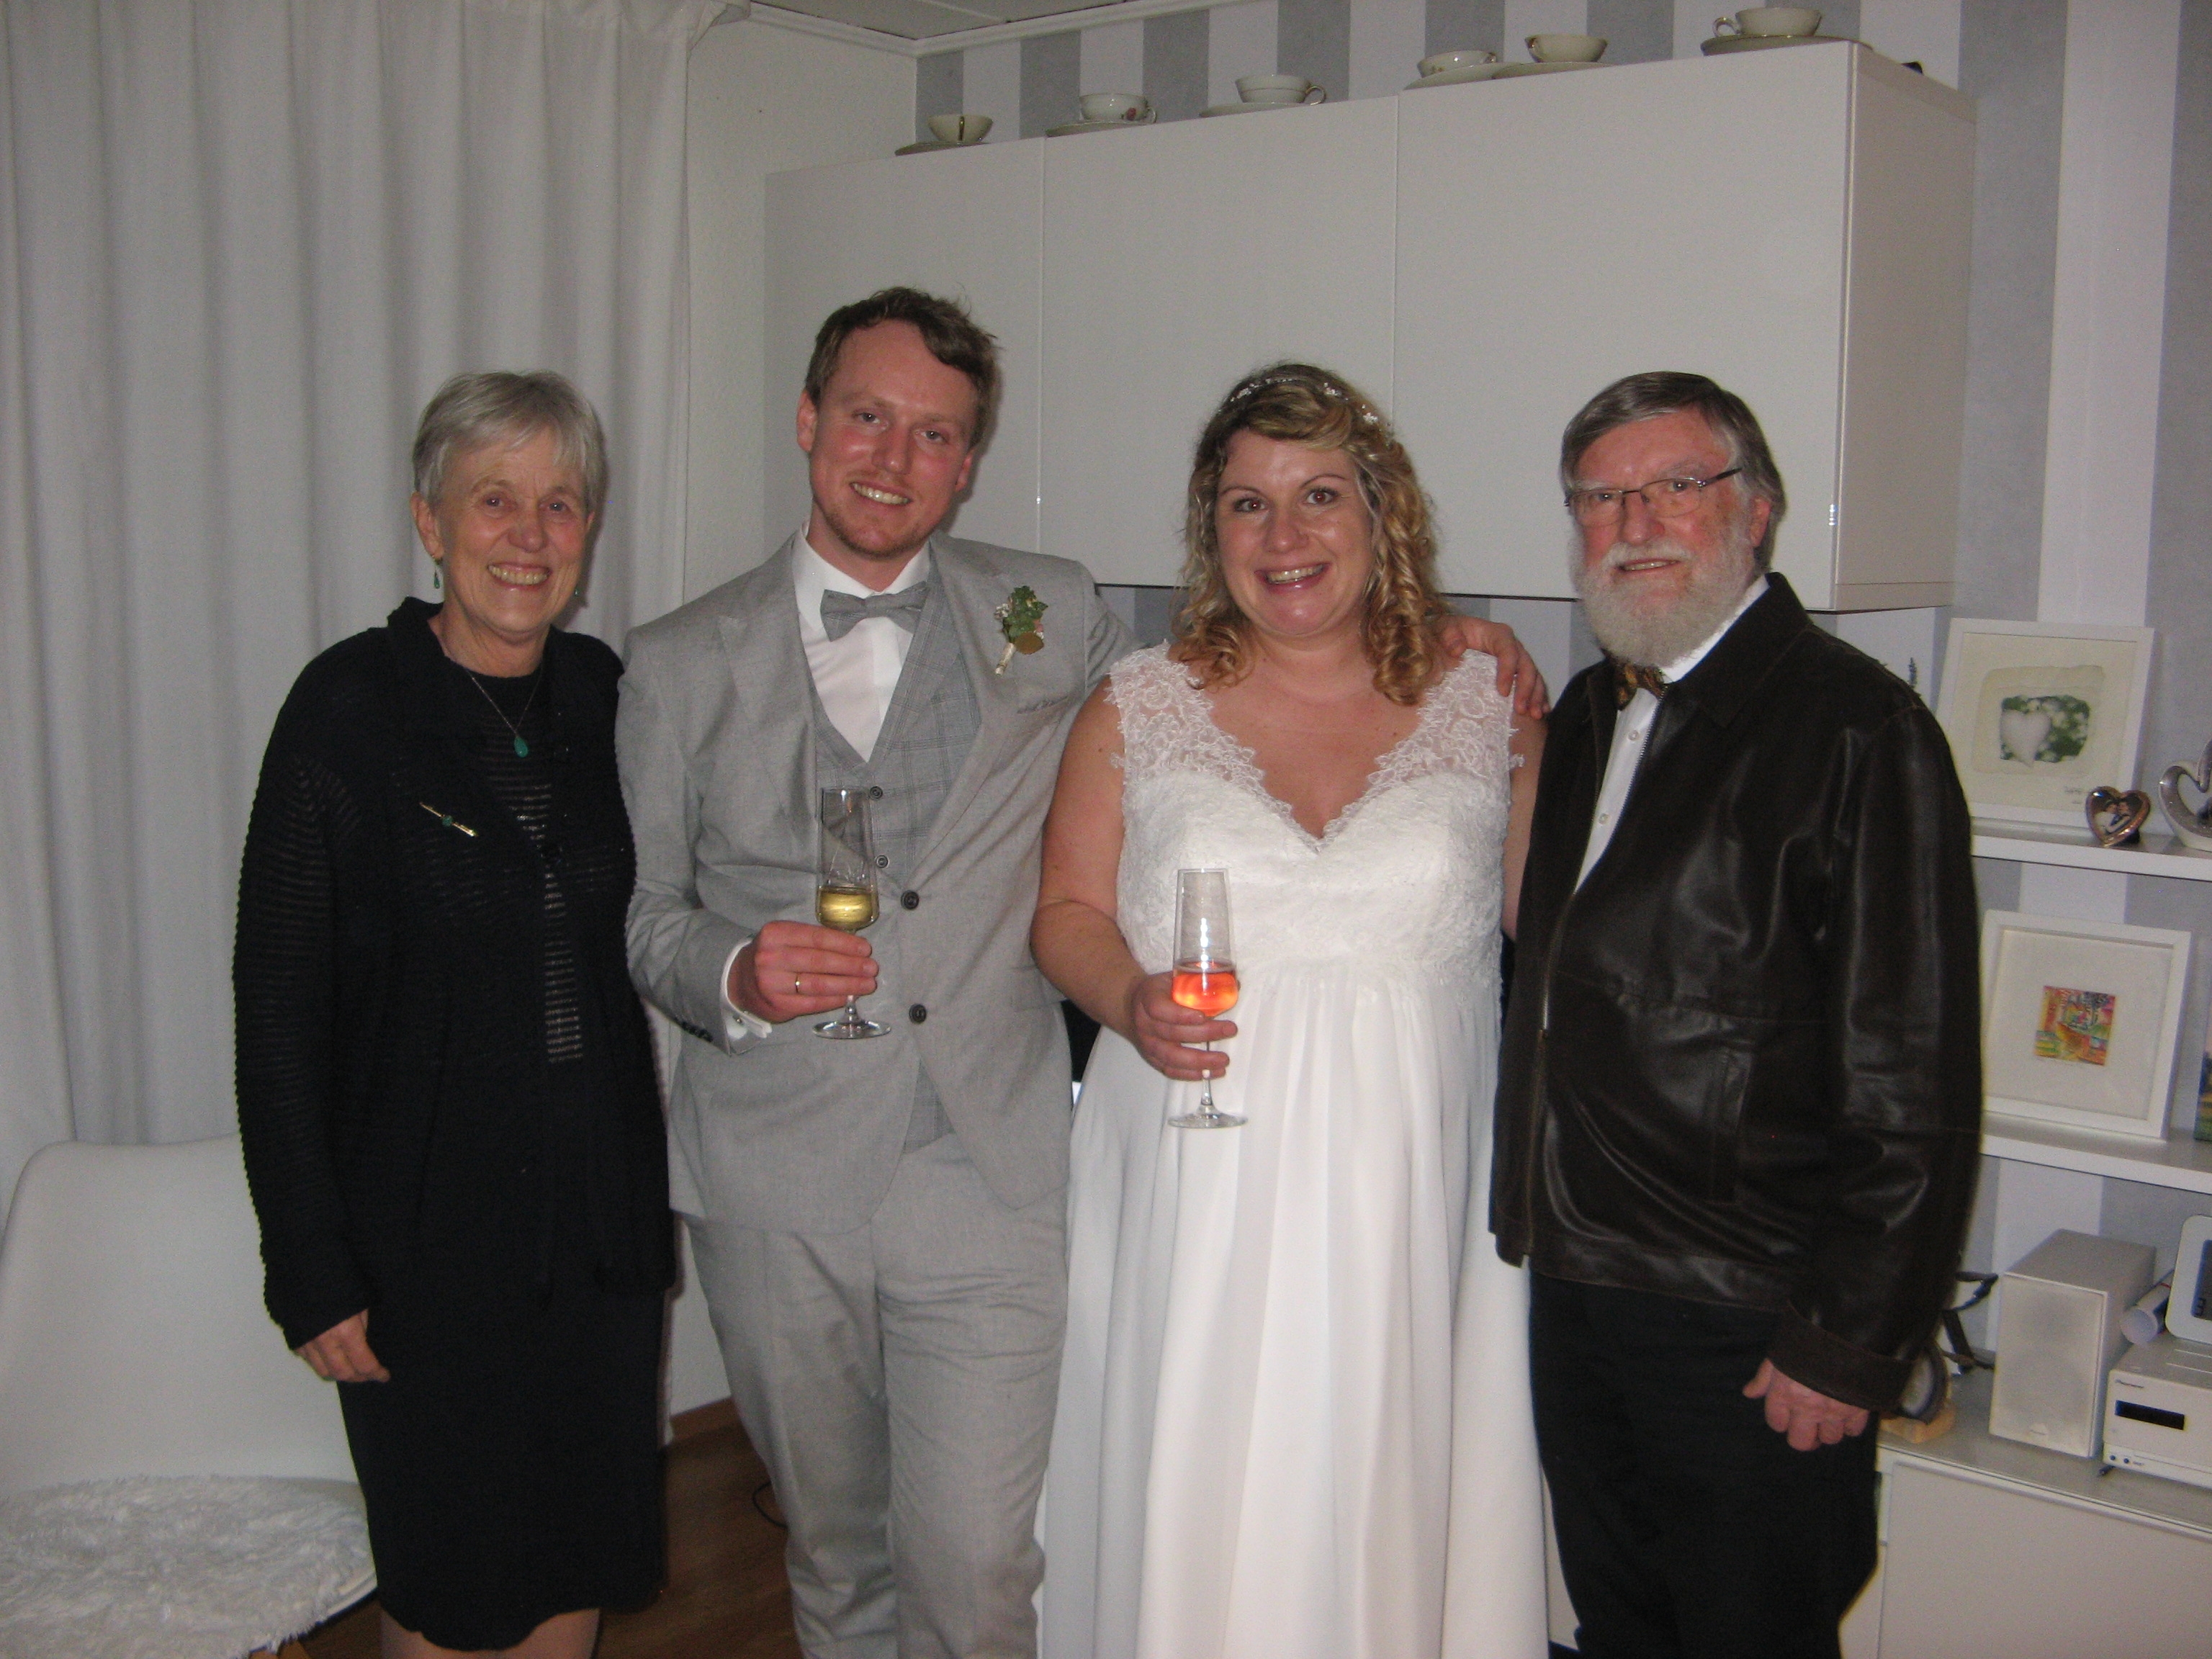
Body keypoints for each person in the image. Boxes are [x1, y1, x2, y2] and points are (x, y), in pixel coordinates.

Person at [618, 296, 1544, 1659]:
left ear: (969, 462)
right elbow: (645, 912)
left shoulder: (1051, 615)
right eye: (868, 417)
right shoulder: (676, 659)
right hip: (778, 1168)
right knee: (833, 1549)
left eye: (938, 433)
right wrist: (738, 970)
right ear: (809, 421)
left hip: (989, 1165)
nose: (896, 458)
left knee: (990, 1563)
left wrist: (1459, 631)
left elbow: (1268, 663)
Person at [1033, 362, 1551, 1659]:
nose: (1284, 536)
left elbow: (1557, 939)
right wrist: (1128, 999)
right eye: (1247, 504)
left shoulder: (1491, 704)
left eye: (1320, 495)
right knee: (1204, 1487)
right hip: (1194, 1171)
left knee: (1382, 1486)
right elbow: (1066, 914)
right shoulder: (1137, 705)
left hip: (1410, 1188)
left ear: (1383, 513)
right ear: (1210, 532)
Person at [1490, 372, 1982, 1659]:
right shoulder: (1592, 713)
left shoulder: (1860, 730)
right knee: (1623, 1627)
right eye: (1599, 498)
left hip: (1750, 1320)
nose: (1633, 523)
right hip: (1581, 1288)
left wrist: (1847, 1340)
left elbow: (1914, 1077)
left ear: (1756, 511)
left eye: (1674, 487)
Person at [235, 372, 674, 1658]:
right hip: (424, 1249)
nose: (530, 536)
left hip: (595, 1235)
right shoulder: (349, 709)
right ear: (430, 521)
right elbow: (276, 1008)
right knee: (451, 1586)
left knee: (575, 1558)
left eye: (561, 503)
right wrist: (309, 1263)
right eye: (495, 500)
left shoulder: (607, 697)